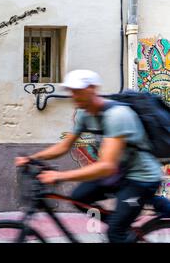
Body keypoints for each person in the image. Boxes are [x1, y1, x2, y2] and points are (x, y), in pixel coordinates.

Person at [15, 69, 168, 243]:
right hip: (120, 173)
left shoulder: (117, 115)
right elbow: (64, 146)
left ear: (92, 89)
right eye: (72, 91)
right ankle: (124, 225)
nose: (74, 96)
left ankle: (122, 228)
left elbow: (106, 166)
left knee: (115, 234)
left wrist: (59, 175)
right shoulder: (84, 114)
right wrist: (33, 158)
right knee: (79, 198)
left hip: (141, 178)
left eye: (78, 91)